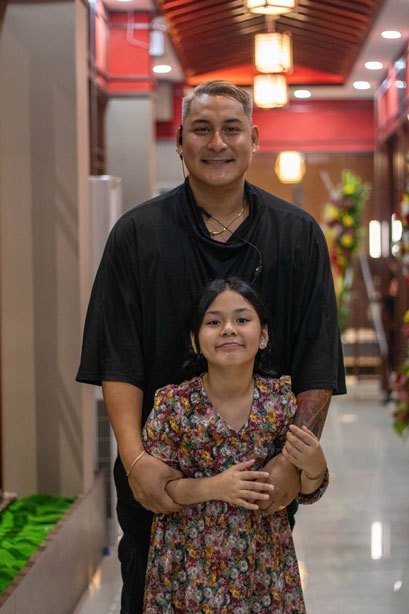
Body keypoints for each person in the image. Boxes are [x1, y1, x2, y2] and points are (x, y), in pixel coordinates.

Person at [76, 80, 345, 613]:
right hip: (159, 491)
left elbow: (317, 362)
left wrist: (290, 463)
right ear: (180, 141)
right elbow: (118, 358)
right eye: (201, 129)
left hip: (261, 497)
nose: (217, 142)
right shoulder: (137, 235)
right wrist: (134, 460)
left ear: (254, 140)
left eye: (231, 129)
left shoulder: (297, 236)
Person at [142, 277, 329, 613]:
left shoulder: (280, 403)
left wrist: (315, 466)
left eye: (242, 319)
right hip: (189, 567)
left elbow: (304, 490)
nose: (229, 329)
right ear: (195, 340)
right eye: (214, 322)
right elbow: (158, 490)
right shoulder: (173, 405)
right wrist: (214, 487)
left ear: (264, 335)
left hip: (264, 567)